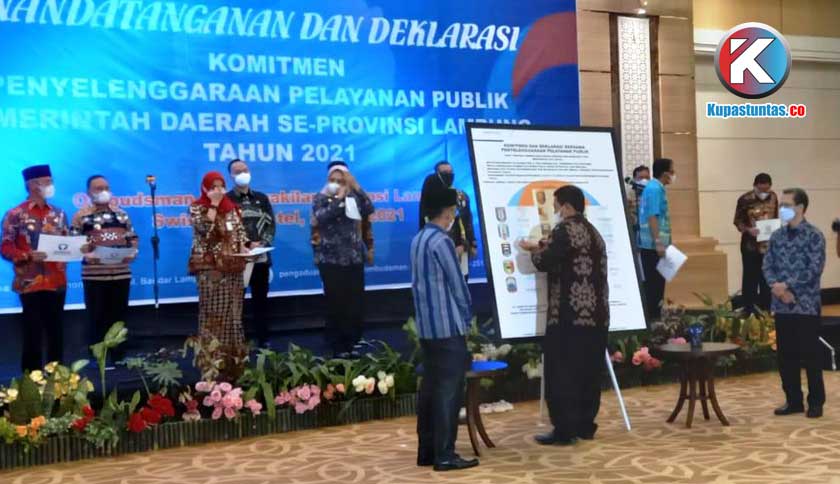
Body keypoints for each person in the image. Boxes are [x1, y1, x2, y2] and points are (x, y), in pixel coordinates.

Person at [519, 185, 610, 446]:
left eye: (556, 206)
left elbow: (545, 261)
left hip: (567, 317)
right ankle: (585, 425)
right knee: (589, 373)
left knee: (562, 374)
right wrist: (543, 245)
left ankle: (564, 430)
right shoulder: (594, 232)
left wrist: (531, 249)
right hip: (597, 316)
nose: (555, 211)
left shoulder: (564, 230)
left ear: (567, 207)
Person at [411, 186, 478, 472]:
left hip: (427, 329)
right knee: (449, 393)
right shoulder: (442, 242)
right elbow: (457, 283)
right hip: (448, 328)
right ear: (448, 212)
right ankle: (445, 455)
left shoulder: (418, 239)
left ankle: (426, 451)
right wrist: (468, 316)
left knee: (429, 390)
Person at [763, 188, 826, 419]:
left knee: (810, 356)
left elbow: (814, 269)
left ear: (800, 207)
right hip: (782, 305)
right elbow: (767, 265)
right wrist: (777, 288)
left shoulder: (814, 235)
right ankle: (793, 400)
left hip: (805, 305)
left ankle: (815, 402)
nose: (782, 209)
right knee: (786, 356)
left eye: (786, 205)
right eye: (781, 205)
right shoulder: (776, 236)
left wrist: (787, 286)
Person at [1, 165, 68, 372]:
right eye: (47, 182)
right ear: (32, 185)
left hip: (57, 281)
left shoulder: (59, 213)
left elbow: (66, 242)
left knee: (56, 331)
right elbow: (5, 247)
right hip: (30, 282)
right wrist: (27, 255)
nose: (51, 185)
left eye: (51, 181)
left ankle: (58, 377)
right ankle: (32, 378)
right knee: (33, 333)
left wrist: (78, 248)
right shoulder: (15, 214)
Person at [311, 161, 375, 358]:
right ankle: (337, 345)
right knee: (336, 302)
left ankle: (353, 341)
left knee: (354, 302)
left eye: (341, 180)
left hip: (354, 258)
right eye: (333, 180)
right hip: (331, 260)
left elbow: (369, 208)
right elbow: (321, 217)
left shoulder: (353, 197)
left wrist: (356, 187)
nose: (336, 183)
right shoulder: (321, 197)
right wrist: (339, 199)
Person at [72, 175, 138, 362]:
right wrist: (86, 252)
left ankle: (119, 356)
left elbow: (132, 238)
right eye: (98, 188)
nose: (104, 191)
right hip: (94, 276)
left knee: (119, 317)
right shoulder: (81, 216)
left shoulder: (121, 214)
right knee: (96, 317)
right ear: (88, 192)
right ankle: (98, 357)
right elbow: (73, 243)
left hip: (121, 274)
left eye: (106, 187)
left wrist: (133, 252)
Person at [188, 171, 249, 348]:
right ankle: (212, 358)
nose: (218, 190)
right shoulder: (197, 207)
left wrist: (246, 247)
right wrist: (214, 205)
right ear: (205, 188)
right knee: (214, 313)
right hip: (211, 269)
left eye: (221, 186)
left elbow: (240, 233)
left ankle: (233, 357)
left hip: (233, 267)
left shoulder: (232, 207)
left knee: (234, 314)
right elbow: (205, 231)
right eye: (213, 187)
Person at [226, 159, 276, 346]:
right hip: (238, 259)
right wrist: (245, 244)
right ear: (231, 176)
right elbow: (227, 228)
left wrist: (261, 243)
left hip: (261, 257)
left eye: (245, 170)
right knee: (236, 302)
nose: (242, 174)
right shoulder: (226, 200)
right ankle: (238, 340)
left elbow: (271, 224)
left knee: (261, 301)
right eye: (237, 171)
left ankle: (263, 339)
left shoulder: (261, 198)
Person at [419, 161, 477, 281]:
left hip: (461, 247)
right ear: (437, 174)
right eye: (445, 172)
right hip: (438, 247)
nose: (449, 175)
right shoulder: (430, 196)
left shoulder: (461, 195)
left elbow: (467, 220)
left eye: (451, 172)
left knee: (462, 281)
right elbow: (425, 220)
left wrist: (472, 243)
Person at [733, 173, 778, 315]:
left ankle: (766, 311)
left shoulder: (773, 197)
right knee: (750, 278)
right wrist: (748, 230)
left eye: (767, 189)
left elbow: (776, 216)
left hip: (768, 246)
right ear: (755, 186)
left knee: (767, 279)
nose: (764, 192)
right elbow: (737, 221)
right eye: (761, 189)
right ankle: (749, 310)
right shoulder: (745, 199)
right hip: (750, 245)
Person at [638, 158, 675, 320]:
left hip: (656, 246)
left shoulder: (656, 188)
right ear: (665, 173)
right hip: (652, 246)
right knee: (654, 287)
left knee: (658, 285)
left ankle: (655, 317)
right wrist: (658, 242)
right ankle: (652, 320)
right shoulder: (654, 189)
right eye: (672, 171)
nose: (673, 175)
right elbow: (652, 216)